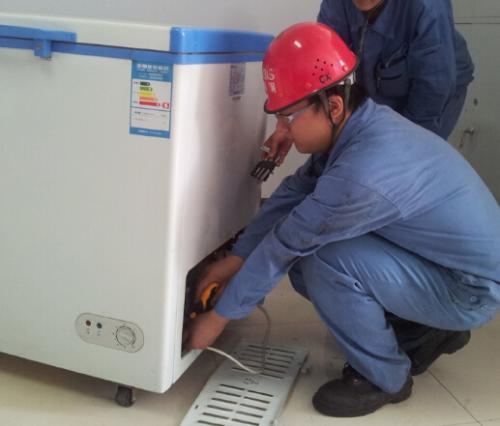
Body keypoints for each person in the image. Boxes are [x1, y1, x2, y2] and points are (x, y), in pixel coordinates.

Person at [188, 23, 500, 417]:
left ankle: (385, 377)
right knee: (307, 258)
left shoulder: (365, 170)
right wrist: (235, 260)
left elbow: (288, 243)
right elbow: (292, 194)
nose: (282, 132)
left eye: (288, 118)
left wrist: (218, 318)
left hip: (469, 288)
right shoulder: (360, 126)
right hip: (445, 265)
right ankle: (422, 330)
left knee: (321, 259)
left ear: (333, 106)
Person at [265, 0, 474, 164]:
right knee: (343, 156)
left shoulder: (426, 6)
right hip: (376, 83)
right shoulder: (335, 5)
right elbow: (320, 69)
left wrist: (405, 152)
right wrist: (288, 121)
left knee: (402, 163)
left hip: (433, 91)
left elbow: (434, 87)